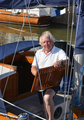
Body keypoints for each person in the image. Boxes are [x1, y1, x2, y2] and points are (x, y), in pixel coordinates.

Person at [31, 31, 70, 120]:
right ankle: (46, 117)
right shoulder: (38, 53)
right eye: (44, 42)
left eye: (48, 41)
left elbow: (68, 62)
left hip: (55, 81)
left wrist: (61, 61)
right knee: (43, 107)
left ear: (52, 42)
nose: (46, 44)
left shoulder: (59, 51)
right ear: (41, 44)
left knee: (47, 97)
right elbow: (33, 67)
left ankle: (51, 119)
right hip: (42, 81)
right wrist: (37, 75)